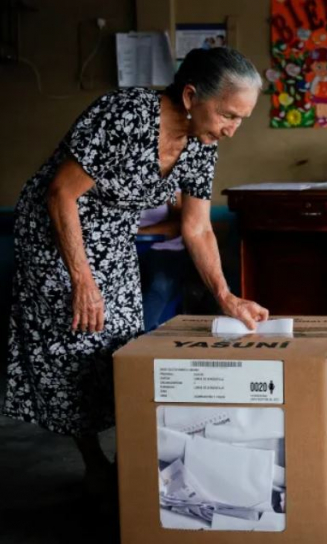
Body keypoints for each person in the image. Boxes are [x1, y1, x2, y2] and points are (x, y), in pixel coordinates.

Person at [2, 47, 270, 493]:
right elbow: (60, 194)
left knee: (124, 342)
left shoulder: (202, 144)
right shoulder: (126, 114)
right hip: (55, 234)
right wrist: (82, 280)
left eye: (242, 118)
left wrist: (227, 296)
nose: (233, 129)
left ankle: (133, 460)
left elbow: (198, 227)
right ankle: (95, 463)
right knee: (76, 343)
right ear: (190, 95)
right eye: (228, 114)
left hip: (113, 236)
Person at [138, 191, 190, 331]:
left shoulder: (167, 178)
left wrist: (138, 231)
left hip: (164, 247)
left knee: (159, 286)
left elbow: (179, 223)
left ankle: (139, 336)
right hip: (119, 249)